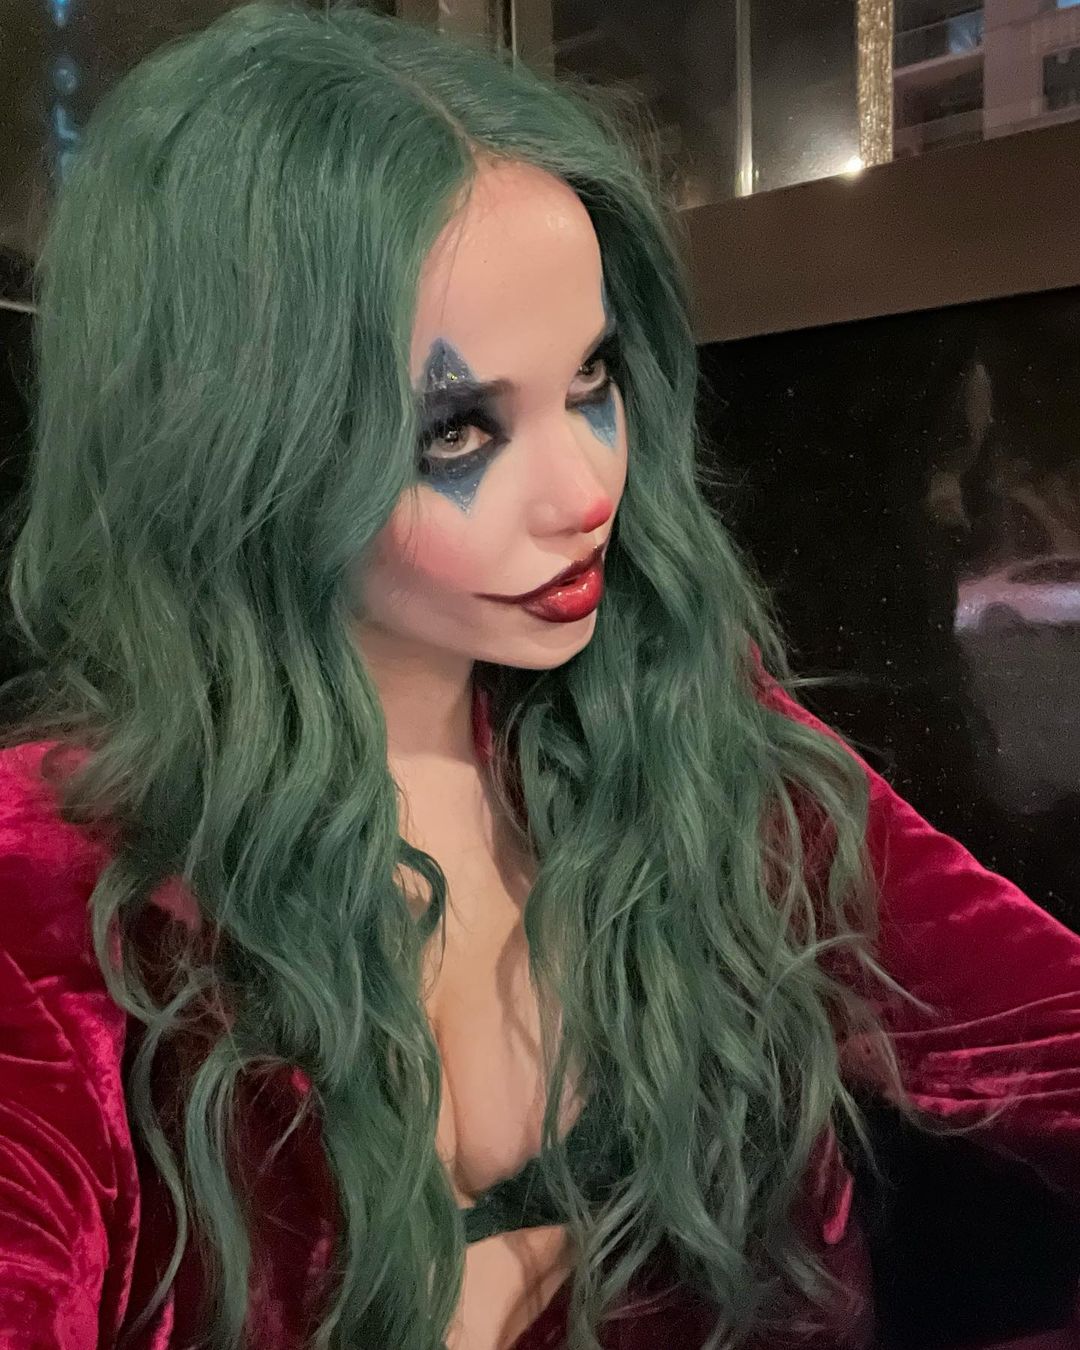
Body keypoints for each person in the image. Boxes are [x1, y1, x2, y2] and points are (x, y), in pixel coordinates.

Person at [0, 5, 1077, 1348]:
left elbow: (1043, 1030)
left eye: (591, 378)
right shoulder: (51, 879)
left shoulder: (685, 733)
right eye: (458, 428)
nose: (586, 492)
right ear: (231, 449)